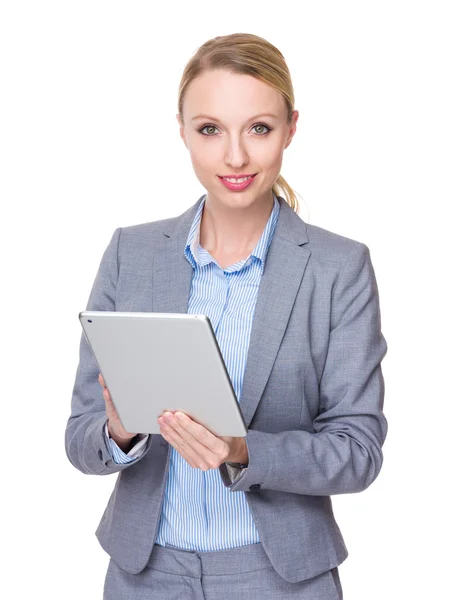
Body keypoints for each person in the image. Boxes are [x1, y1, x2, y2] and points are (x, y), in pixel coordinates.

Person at [65, 32, 388, 600]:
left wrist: (243, 450)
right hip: (145, 576)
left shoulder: (340, 269)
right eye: (210, 129)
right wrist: (117, 431)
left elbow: (357, 451)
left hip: (280, 576)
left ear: (291, 127)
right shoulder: (129, 254)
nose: (234, 157)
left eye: (258, 128)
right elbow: (80, 440)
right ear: (183, 131)